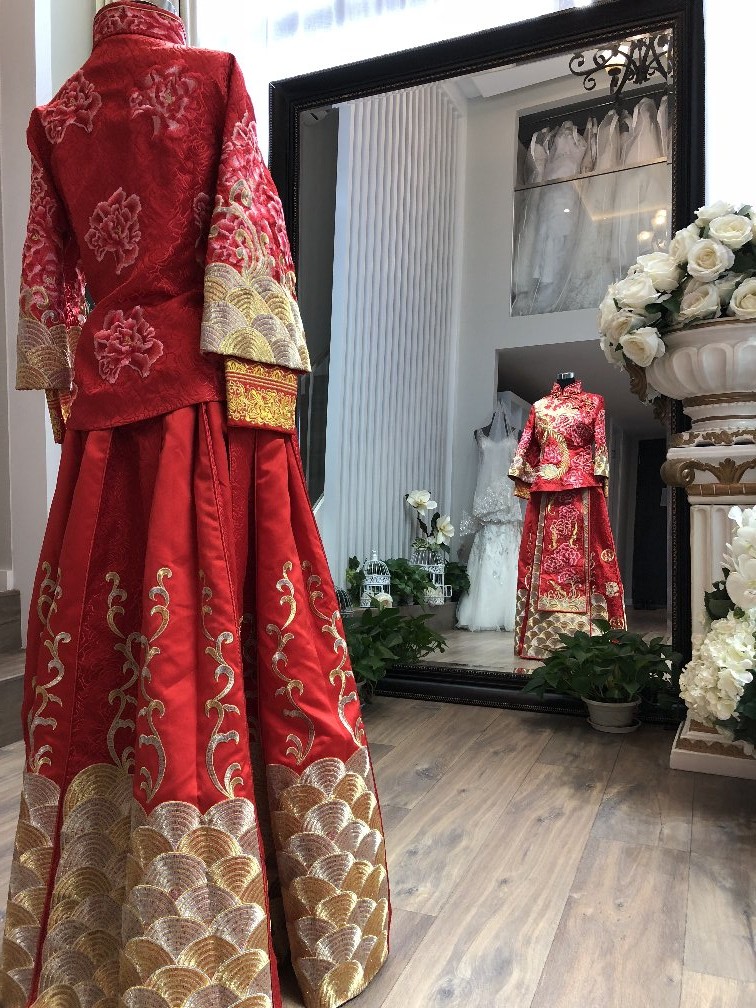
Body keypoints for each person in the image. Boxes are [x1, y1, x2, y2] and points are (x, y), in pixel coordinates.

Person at [0, 5, 389, 1008]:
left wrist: (67, 395)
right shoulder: (214, 79)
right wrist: (267, 408)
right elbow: (249, 241)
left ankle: (98, 936)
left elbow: (48, 287)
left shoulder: (54, 119)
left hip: (106, 422)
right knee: (228, 634)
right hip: (207, 401)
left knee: (106, 649)